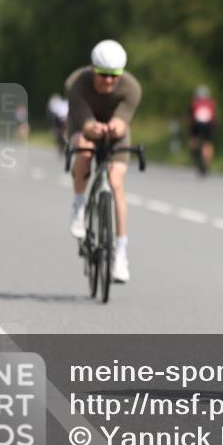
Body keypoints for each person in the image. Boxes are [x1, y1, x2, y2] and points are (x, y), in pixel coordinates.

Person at [65, 40, 142, 284]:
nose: (108, 81)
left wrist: (113, 127)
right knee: (85, 151)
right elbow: (86, 123)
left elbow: (120, 124)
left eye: (114, 76)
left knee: (116, 181)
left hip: (114, 130)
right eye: (103, 75)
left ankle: (120, 253)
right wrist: (92, 128)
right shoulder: (76, 83)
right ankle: (79, 204)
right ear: (92, 69)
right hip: (83, 125)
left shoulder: (132, 88)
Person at [188, 85, 216, 175]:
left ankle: (196, 156)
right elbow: (214, 117)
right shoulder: (211, 103)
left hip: (197, 124)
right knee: (207, 143)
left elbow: (190, 117)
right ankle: (206, 164)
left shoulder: (194, 103)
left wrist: (190, 129)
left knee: (194, 140)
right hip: (209, 125)